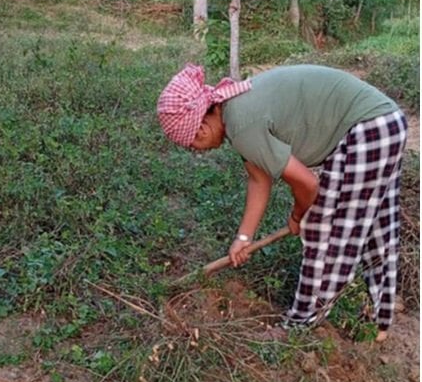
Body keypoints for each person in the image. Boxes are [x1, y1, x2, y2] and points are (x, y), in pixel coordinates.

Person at [157, 63, 408, 342]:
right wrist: (243, 237)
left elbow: (308, 184)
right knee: (375, 226)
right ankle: (380, 320)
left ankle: (300, 325)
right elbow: (258, 179)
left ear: (201, 128)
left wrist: (300, 215)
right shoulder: (235, 112)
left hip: (369, 129)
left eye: (192, 145)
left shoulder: (242, 124)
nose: (196, 151)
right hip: (383, 122)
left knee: (324, 230)